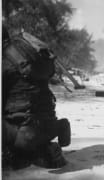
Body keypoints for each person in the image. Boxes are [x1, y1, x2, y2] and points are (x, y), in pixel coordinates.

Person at [2, 27, 71, 169]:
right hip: (48, 126)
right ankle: (54, 132)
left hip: (24, 133)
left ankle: (21, 150)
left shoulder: (4, 62)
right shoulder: (29, 57)